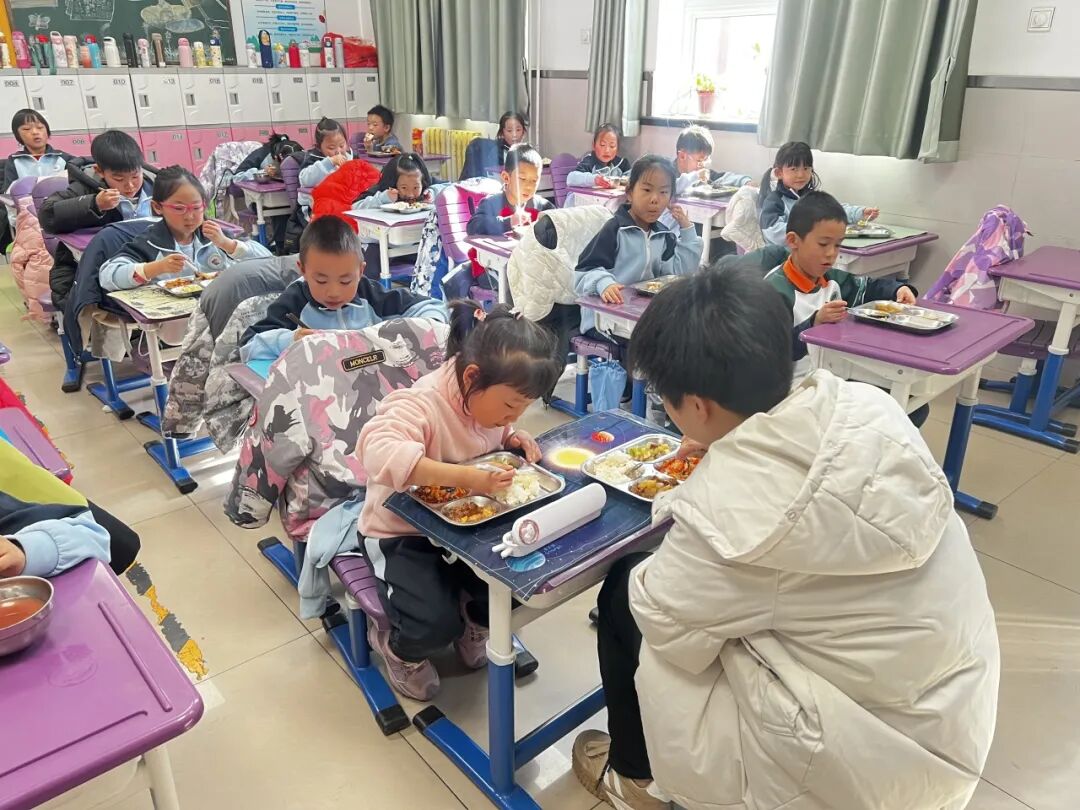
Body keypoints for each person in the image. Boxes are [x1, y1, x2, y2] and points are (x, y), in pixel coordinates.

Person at [571, 268, 1000, 810]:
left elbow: (666, 622)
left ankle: (636, 781)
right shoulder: (865, 407)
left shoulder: (726, 514)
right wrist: (728, 446)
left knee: (623, 594)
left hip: (859, 767)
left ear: (697, 405)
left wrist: (697, 489)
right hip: (949, 719)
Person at [355, 301, 563, 700]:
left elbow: (489, 434)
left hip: (464, 527)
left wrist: (512, 438)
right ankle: (398, 649)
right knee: (432, 624)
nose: (512, 416)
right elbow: (376, 449)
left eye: (522, 409)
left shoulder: (484, 399)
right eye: (509, 407)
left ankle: (475, 623)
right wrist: (467, 478)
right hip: (402, 533)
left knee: (517, 587)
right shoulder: (422, 401)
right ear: (472, 377)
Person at [762, 191, 928, 425]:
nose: (831, 253)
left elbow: (867, 287)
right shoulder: (775, 291)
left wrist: (899, 289)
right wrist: (813, 324)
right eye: (823, 244)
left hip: (832, 377)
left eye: (838, 245)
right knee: (894, 414)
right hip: (792, 392)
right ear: (793, 241)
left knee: (913, 406)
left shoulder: (829, 278)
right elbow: (770, 355)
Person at [240, 215, 447, 362]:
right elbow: (248, 346)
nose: (334, 292)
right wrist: (291, 340)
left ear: (361, 271)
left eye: (346, 281)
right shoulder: (295, 301)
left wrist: (421, 328)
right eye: (321, 281)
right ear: (302, 270)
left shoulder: (370, 294)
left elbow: (433, 307)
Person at [574, 155, 702, 344]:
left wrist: (687, 230)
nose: (655, 199)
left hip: (641, 318)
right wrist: (604, 284)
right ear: (630, 192)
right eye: (647, 190)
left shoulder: (663, 235)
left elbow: (678, 275)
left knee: (686, 338)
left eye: (664, 192)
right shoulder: (615, 230)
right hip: (604, 320)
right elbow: (584, 271)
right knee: (647, 349)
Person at [99, 166, 270, 292]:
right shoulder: (150, 242)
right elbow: (107, 277)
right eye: (179, 208)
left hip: (217, 310)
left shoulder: (214, 236)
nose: (190, 216)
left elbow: (268, 262)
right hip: (172, 320)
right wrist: (156, 268)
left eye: (196, 207)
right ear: (157, 207)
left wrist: (228, 244)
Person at [39, 130, 157, 312]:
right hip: (92, 269)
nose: (130, 185)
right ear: (99, 171)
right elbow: (47, 215)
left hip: (149, 265)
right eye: (119, 179)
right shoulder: (86, 187)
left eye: (135, 176)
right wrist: (94, 204)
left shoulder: (157, 187)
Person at [0, 440, 139, 578]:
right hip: (53, 525)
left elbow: (91, 536)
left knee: (118, 548)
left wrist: (23, 551)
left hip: (57, 518)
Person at [758, 141, 878, 246]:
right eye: (794, 169)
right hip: (783, 258)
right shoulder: (775, 201)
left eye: (806, 168)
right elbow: (772, 231)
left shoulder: (812, 197)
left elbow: (834, 211)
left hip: (808, 254)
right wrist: (810, 230)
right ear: (779, 173)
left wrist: (860, 213)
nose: (801, 175)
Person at [466, 143, 554, 236]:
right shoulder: (492, 203)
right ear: (506, 177)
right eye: (522, 179)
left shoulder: (542, 206)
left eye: (534, 180)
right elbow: (472, 226)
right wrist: (510, 221)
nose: (529, 186)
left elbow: (559, 221)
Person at [3, 109, 75, 191]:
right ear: (18, 135)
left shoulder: (62, 157)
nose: (35, 132)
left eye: (40, 127)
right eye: (27, 129)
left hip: (60, 198)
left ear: (47, 131)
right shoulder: (14, 161)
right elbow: (8, 192)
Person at [297, 117, 353, 212]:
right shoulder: (313, 159)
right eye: (331, 148)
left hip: (342, 203)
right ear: (319, 147)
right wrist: (330, 162)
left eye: (342, 145)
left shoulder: (349, 157)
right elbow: (305, 180)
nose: (338, 151)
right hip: (313, 208)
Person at [458, 111, 530, 180]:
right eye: (509, 131)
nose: (514, 135)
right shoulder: (495, 152)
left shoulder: (527, 153)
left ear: (523, 132)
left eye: (518, 130)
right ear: (502, 133)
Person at [567, 123, 632, 188]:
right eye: (602, 145)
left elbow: (632, 180)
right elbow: (570, 179)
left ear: (617, 148)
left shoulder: (622, 163)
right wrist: (594, 179)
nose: (607, 150)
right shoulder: (589, 162)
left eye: (612, 146)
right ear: (594, 145)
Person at [233, 132, 303, 182]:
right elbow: (237, 177)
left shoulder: (298, 152)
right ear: (276, 157)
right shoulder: (261, 154)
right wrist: (263, 172)